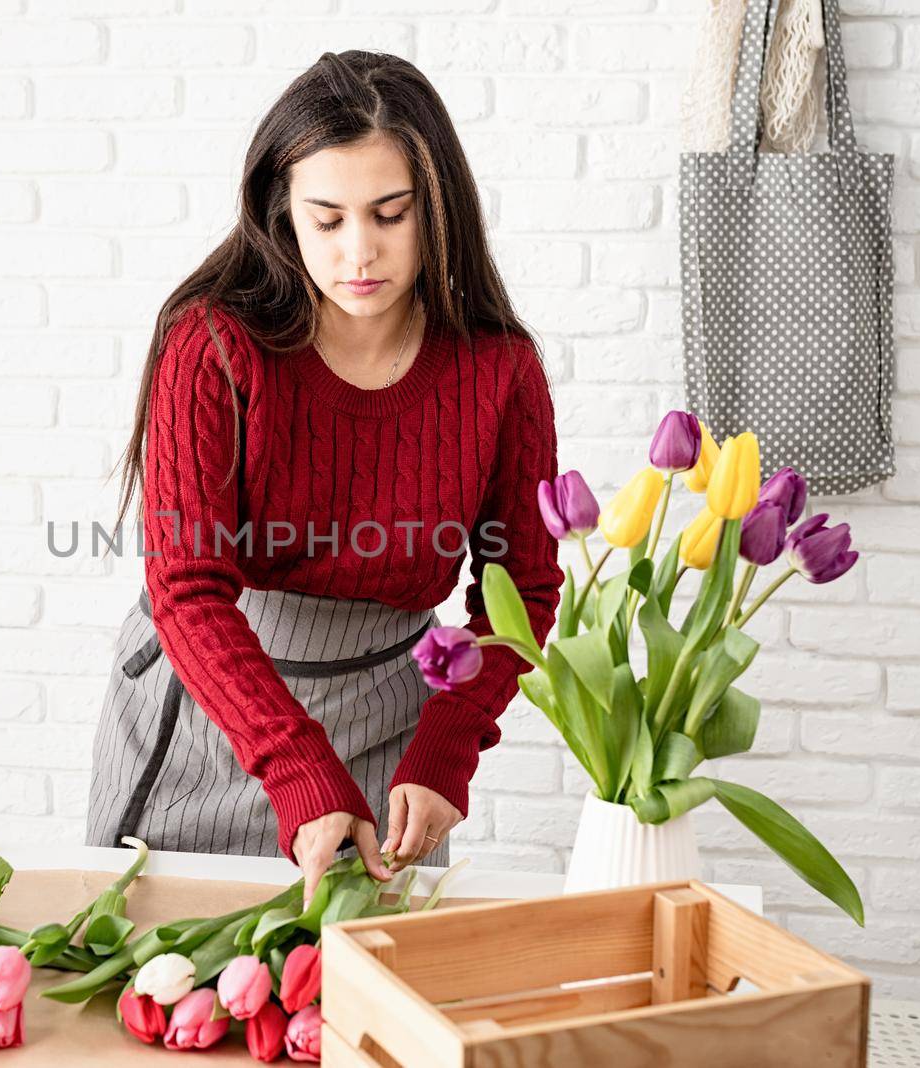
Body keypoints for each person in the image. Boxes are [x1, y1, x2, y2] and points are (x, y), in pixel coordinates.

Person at [84, 49, 563, 906]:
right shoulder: (213, 345)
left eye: (390, 214)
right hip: (206, 714)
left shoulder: (500, 370)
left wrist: (447, 751)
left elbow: (520, 588)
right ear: (282, 212)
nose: (360, 252)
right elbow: (186, 588)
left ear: (437, 208)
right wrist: (296, 766)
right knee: (155, 993)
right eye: (327, 218)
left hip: (393, 722)